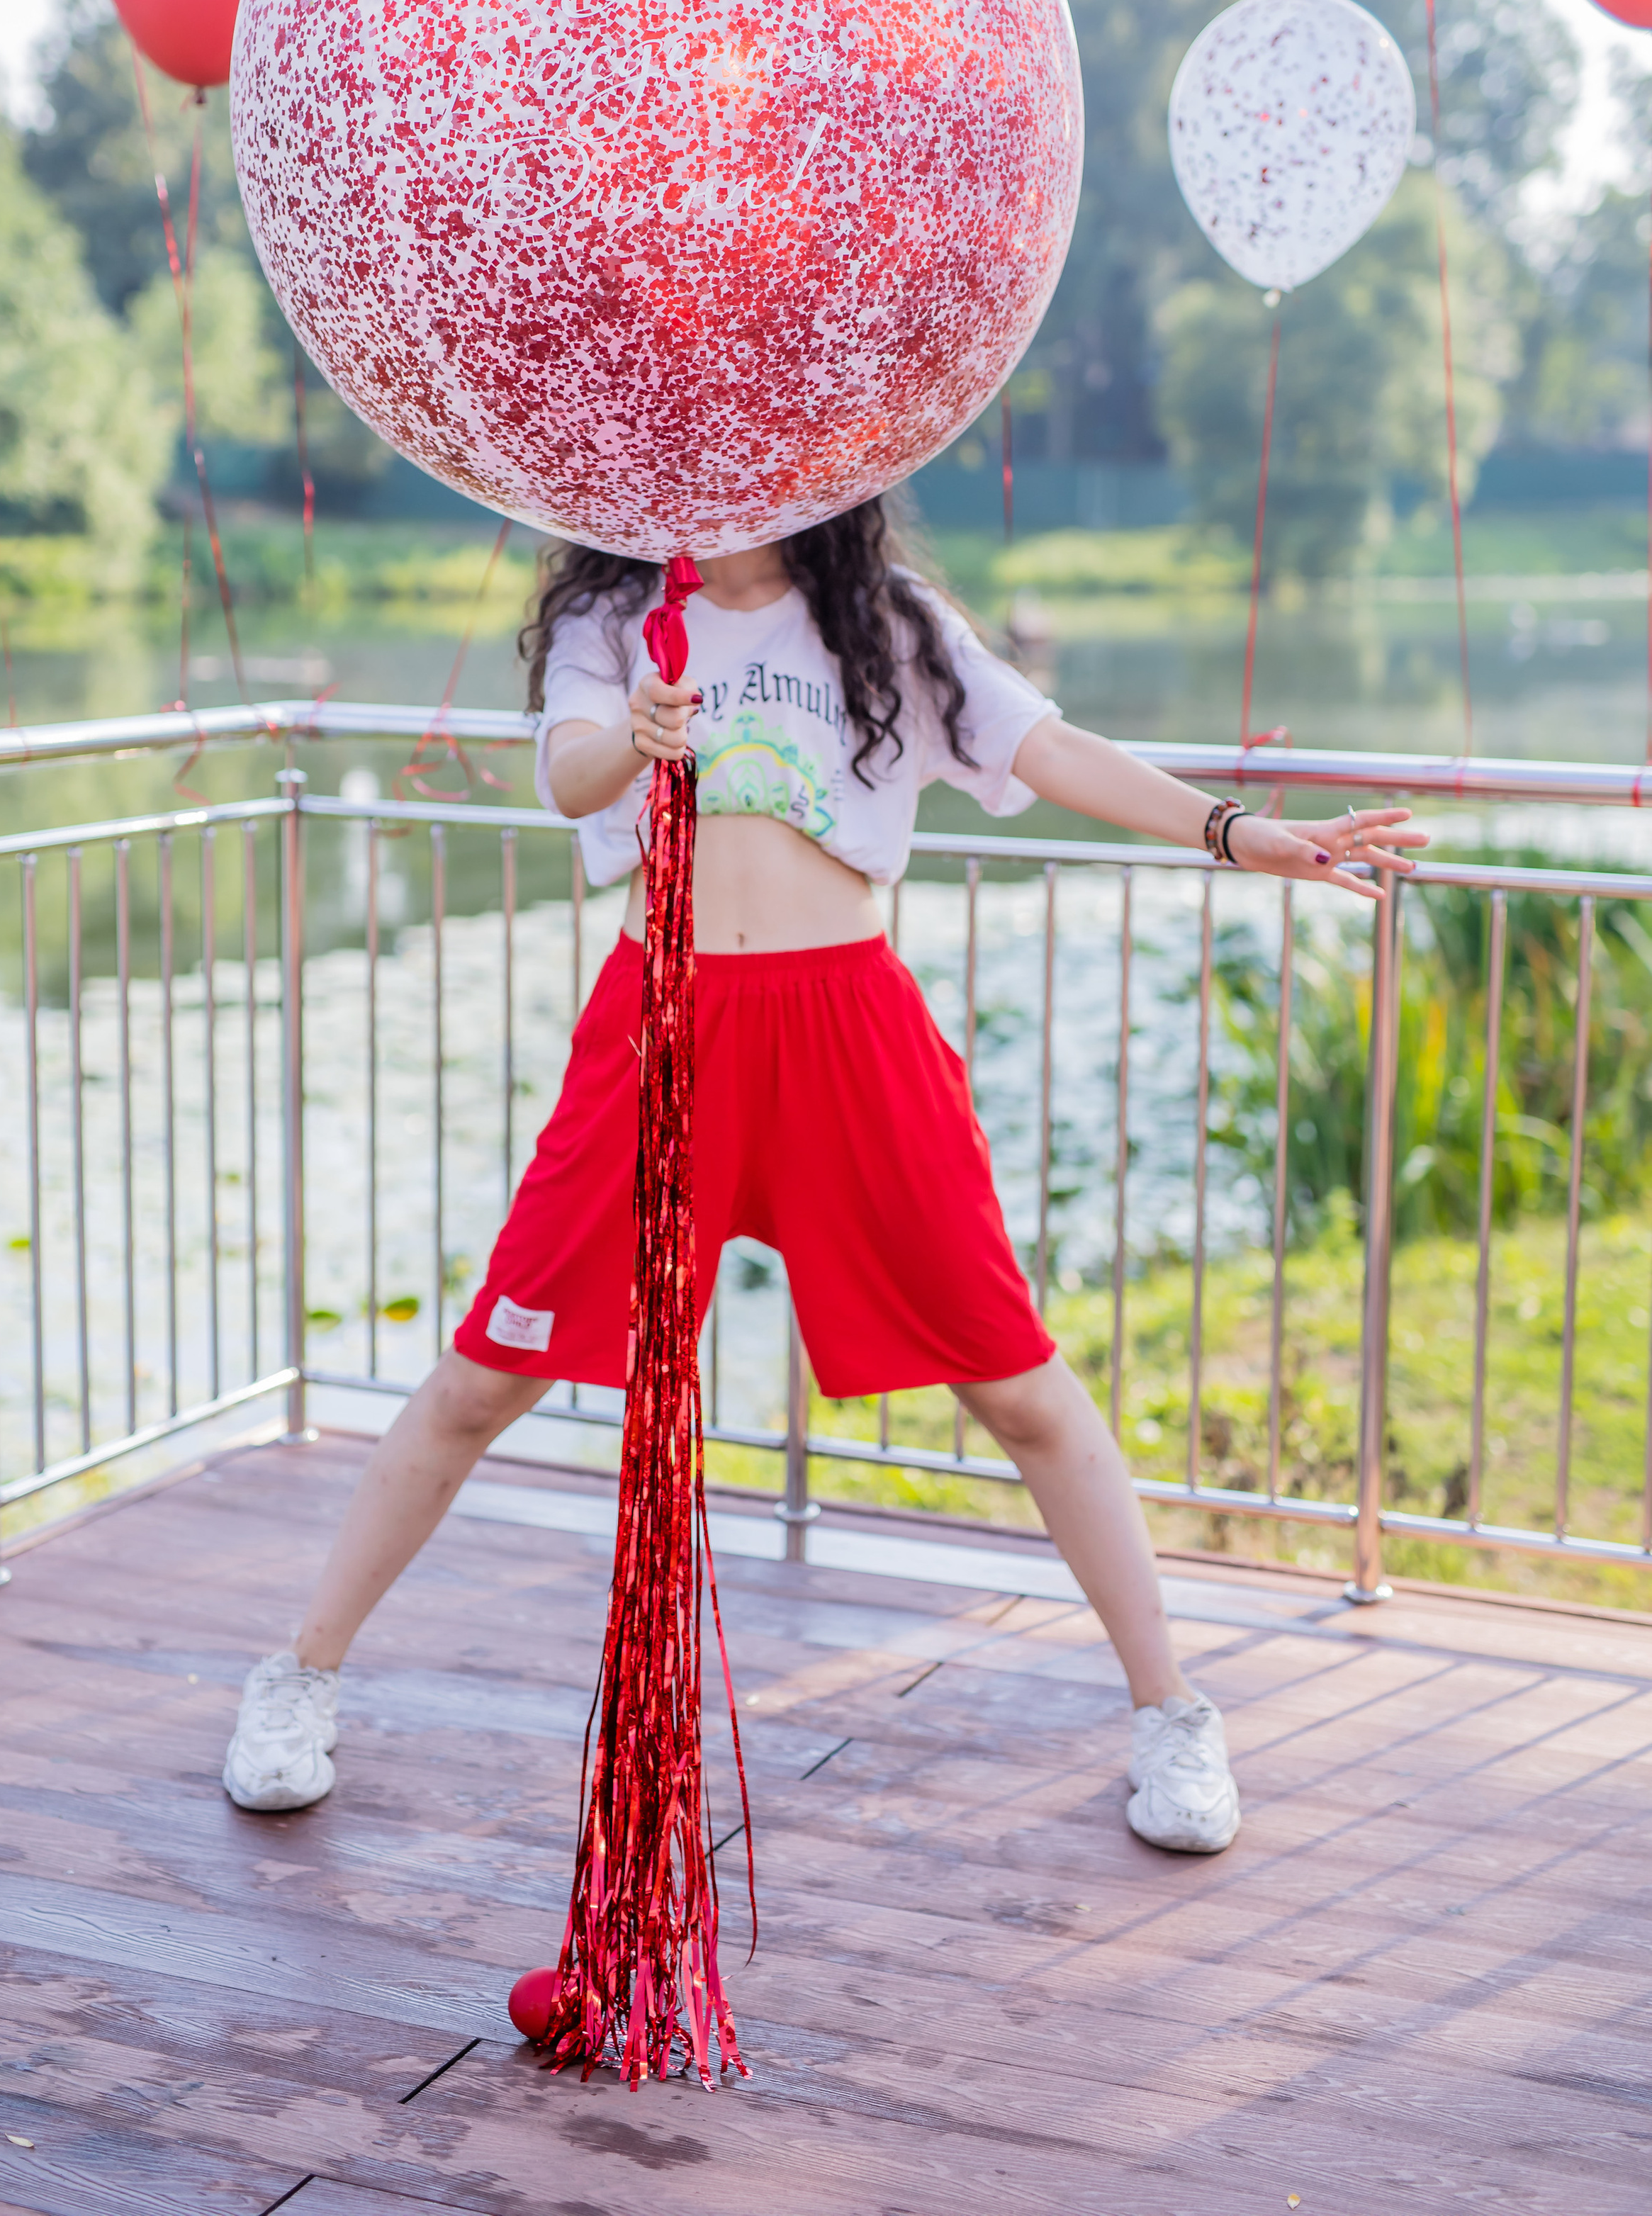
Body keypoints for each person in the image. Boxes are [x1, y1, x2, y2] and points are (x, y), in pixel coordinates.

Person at [223, 500, 1423, 1851]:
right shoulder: (610, 617)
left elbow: (1049, 746)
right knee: (487, 1373)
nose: (727, 484)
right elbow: (566, 776)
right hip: (663, 1022)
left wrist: (1231, 831)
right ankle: (300, 1677)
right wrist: (641, 731)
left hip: (848, 1031)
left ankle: (1173, 1711)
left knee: (1015, 1383)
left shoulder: (889, 620)